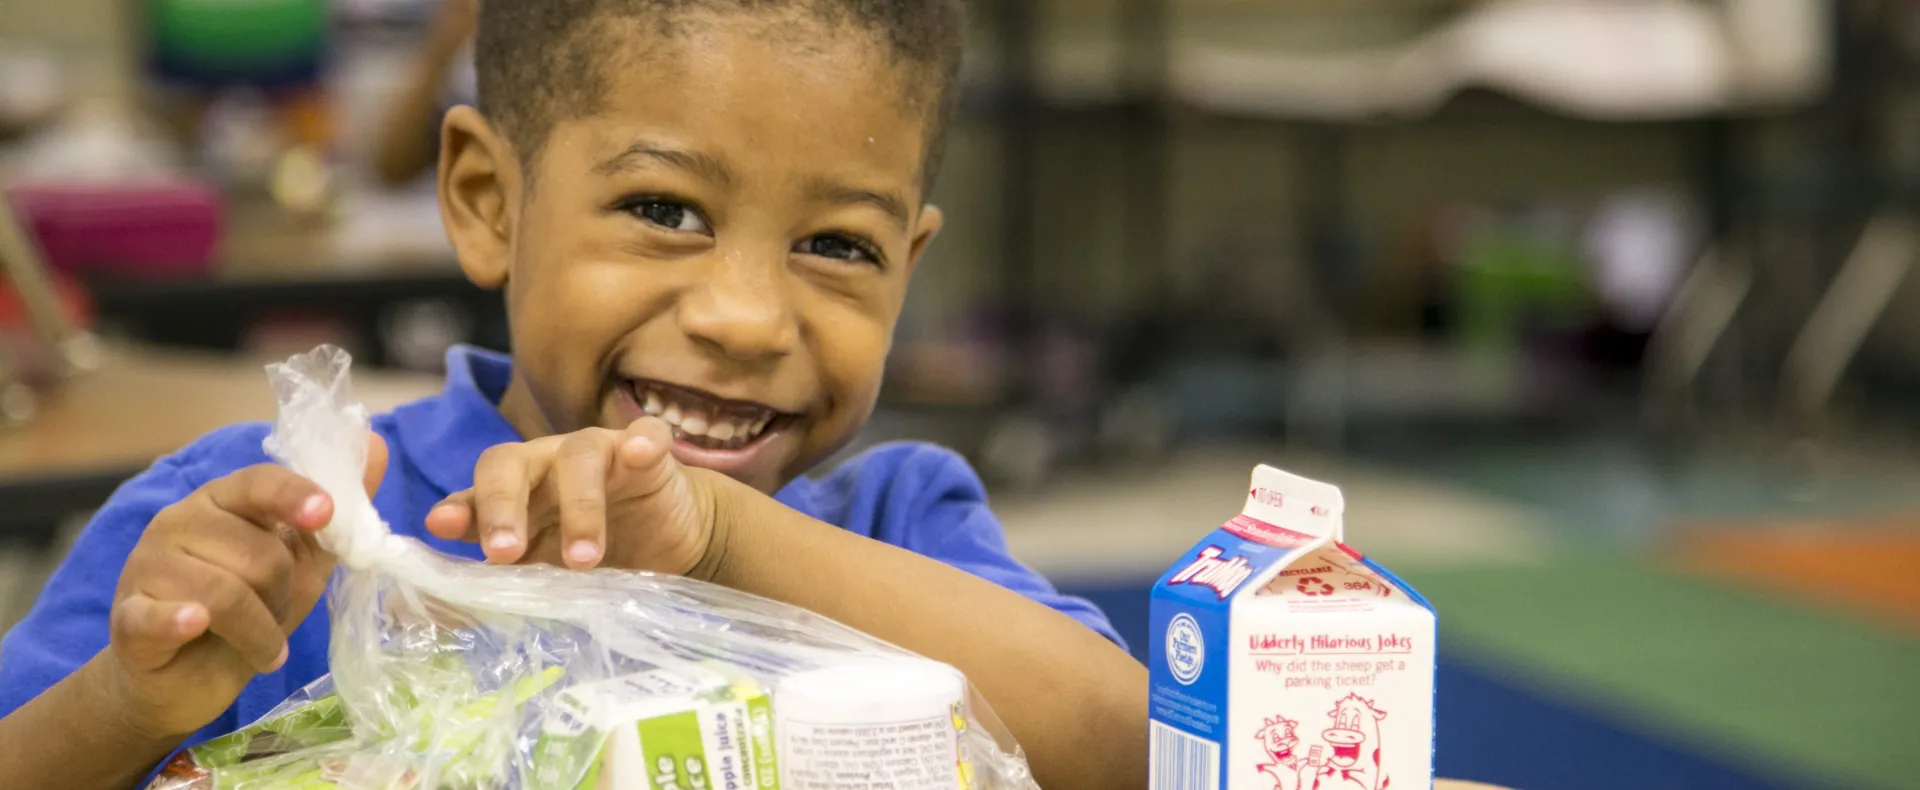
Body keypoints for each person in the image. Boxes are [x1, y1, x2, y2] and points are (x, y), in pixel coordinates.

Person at [0, 1, 1150, 788]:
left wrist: (722, 544)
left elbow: (1137, 750)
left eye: (839, 246)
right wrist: (127, 705)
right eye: (663, 211)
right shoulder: (268, 530)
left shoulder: (896, 526)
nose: (744, 317)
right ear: (489, 200)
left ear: (914, 260)